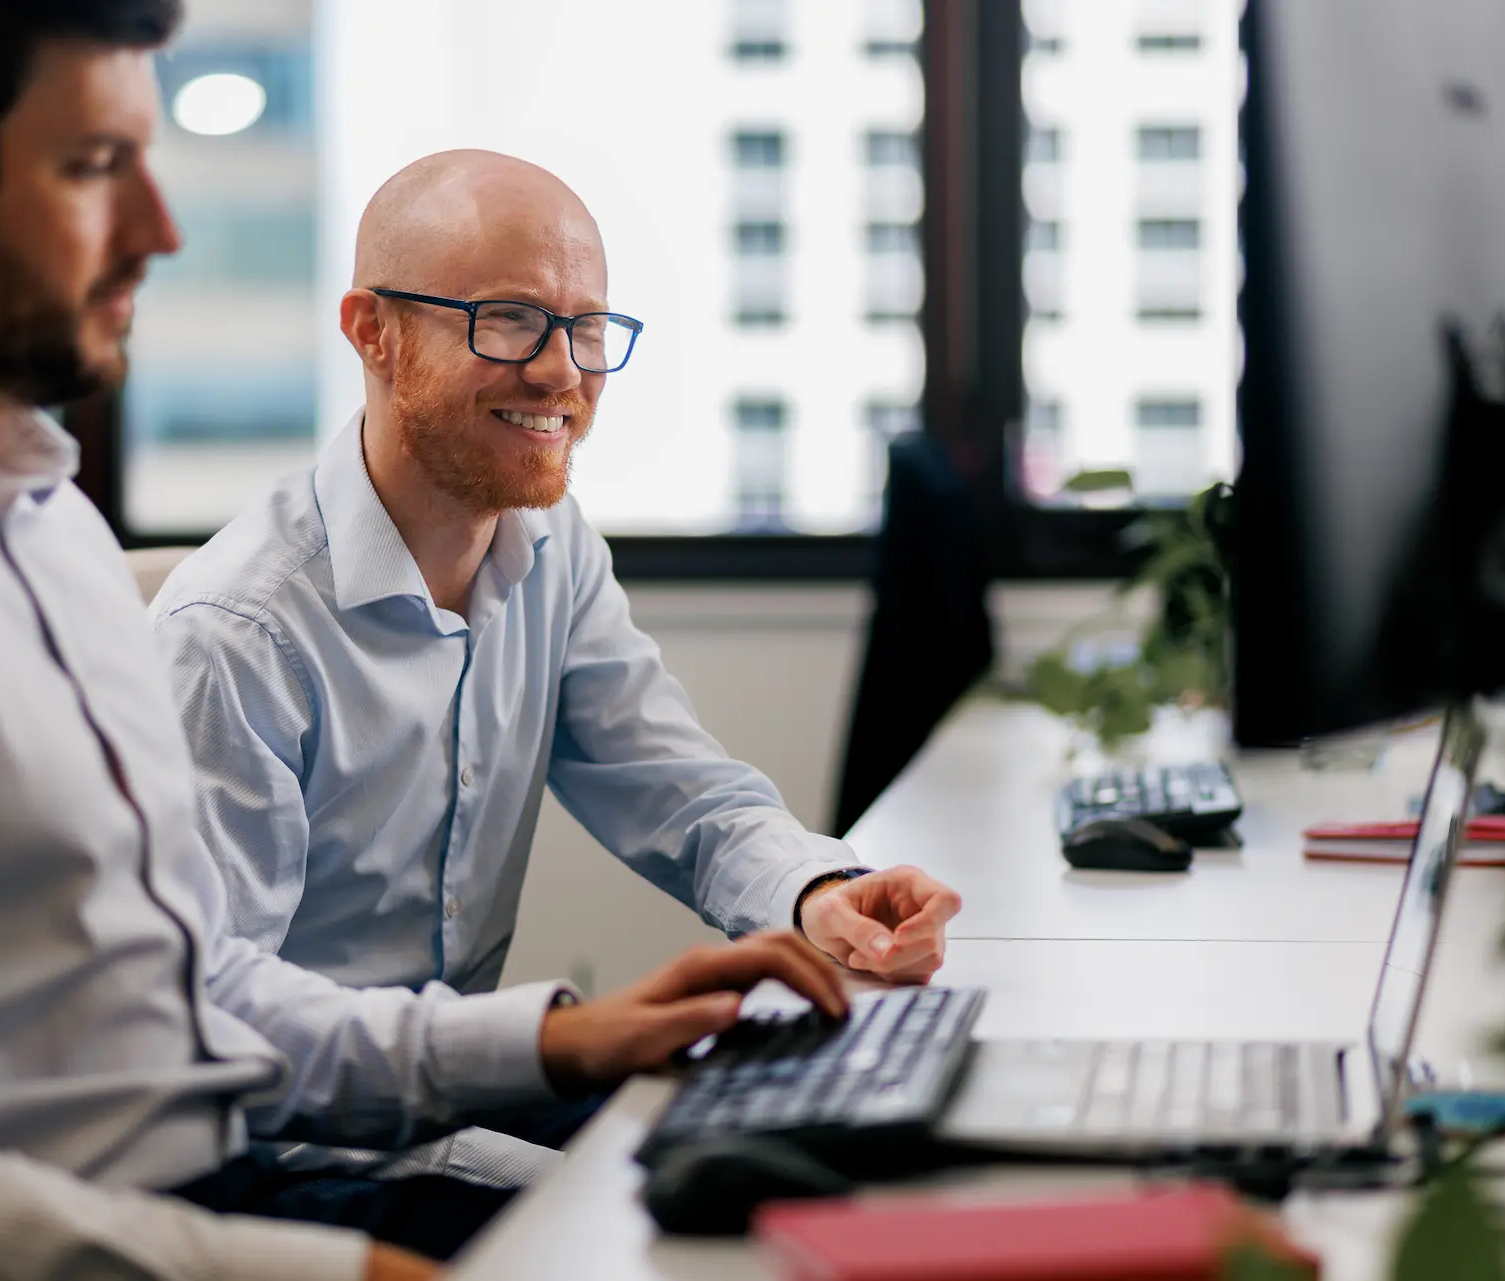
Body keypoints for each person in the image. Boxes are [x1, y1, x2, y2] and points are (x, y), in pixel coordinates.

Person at [0, 5, 853, 1280]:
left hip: (212, 1174)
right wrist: (311, 1269)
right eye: (93, 168)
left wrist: (557, 1040)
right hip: (176, 1211)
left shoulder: (39, 519)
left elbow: (184, 993)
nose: (162, 230)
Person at [150, 151, 965, 1010]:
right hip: (317, 1138)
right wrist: (547, 1048)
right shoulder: (236, 638)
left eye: (586, 327)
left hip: (467, 1092)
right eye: (507, 319)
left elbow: (677, 789)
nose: (562, 372)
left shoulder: (548, 547)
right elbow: (217, 1026)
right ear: (371, 331)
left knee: (810, 1124)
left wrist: (817, 892)